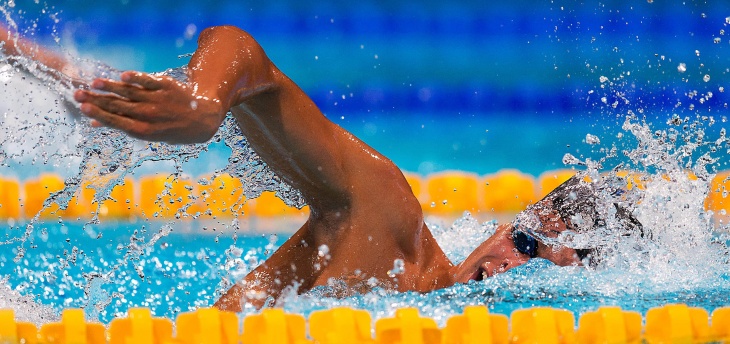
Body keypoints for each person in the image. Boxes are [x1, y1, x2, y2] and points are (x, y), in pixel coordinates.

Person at [2, 25, 622, 312]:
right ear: (502, 226)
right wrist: (202, 100)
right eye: (523, 240)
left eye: (542, 265)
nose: (511, 266)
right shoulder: (388, 223)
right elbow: (245, 55)